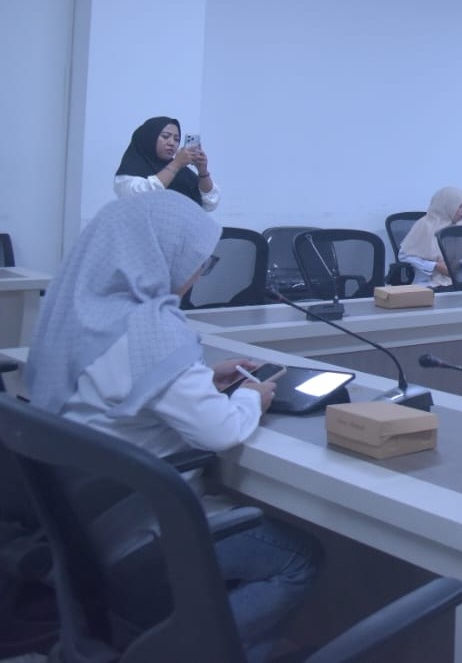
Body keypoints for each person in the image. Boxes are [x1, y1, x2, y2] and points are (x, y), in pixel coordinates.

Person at [24, 191, 319, 663]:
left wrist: (202, 378)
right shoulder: (151, 329)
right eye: (201, 260)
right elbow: (221, 432)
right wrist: (252, 397)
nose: (200, 271)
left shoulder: (78, 316)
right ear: (162, 252)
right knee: (299, 559)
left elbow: (127, 390)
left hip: (80, 526)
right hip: (143, 527)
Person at [114, 116, 220, 211]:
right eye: (165, 136)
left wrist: (203, 171)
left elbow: (210, 203)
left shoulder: (182, 171)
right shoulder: (131, 170)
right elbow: (142, 197)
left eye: (176, 139)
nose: (172, 143)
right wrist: (176, 164)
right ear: (149, 137)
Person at [397, 186, 462, 287]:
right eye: (459, 207)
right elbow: (404, 255)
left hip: (460, 280)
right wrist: (434, 266)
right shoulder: (424, 225)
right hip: (428, 282)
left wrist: (460, 263)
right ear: (448, 206)